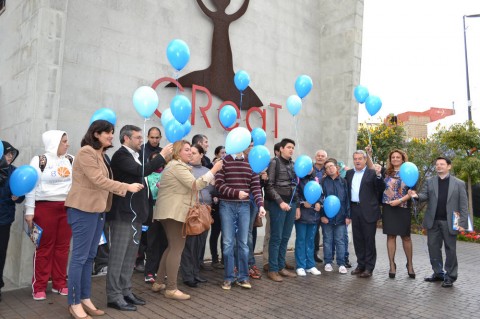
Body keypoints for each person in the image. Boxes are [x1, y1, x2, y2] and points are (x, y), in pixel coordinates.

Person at [64, 120, 144, 319]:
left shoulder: (102, 155)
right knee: (79, 258)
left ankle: (85, 297)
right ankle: (74, 302)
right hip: (82, 210)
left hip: (98, 211)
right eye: (108, 133)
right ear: (96, 134)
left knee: (90, 257)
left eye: (112, 132)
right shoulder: (86, 152)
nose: (111, 136)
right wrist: (126, 187)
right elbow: (98, 180)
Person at [106, 125, 172, 311]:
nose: (141, 141)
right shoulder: (121, 156)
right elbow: (141, 171)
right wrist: (162, 155)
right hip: (122, 215)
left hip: (135, 216)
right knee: (118, 257)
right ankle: (113, 295)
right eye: (137, 138)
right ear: (126, 139)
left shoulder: (136, 155)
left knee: (129, 258)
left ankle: (126, 291)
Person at [152, 140, 222, 300]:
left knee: (171, 248)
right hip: (174, 213)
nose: (190, 152)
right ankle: (171, 288)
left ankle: (158, 282)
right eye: (187, 150)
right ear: (177, 153)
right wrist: (214, 170)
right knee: (177, 249)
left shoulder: (177, 166)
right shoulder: (177, 166)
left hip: (172, 212)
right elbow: (195, 185)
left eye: (191, 150)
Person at [24, 130, 74, 301]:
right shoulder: (39, 160)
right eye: (64, 141)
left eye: (67, 141)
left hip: (67, 208)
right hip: (44, 208)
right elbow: (30, 186)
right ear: (54, 143)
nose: (67, 144)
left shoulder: (70, 160)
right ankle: (39, 286)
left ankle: (60, 283)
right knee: (44, 248)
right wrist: (30, 211)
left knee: (63, 247)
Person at [409, 157, 469, 288]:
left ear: (449, 166)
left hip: (451, 222)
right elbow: (424, 196)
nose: (439, 166)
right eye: (437, 165)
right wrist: (416, 196)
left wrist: (463, 224)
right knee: (433, 248)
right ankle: (438, 273)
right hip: (433, 221)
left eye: (442, 164)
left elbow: (464, 205)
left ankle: (450, 276)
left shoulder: (459, 183)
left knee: (450, 250)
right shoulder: (430, 182)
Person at [215, 142, 266, 290]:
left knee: (243, 244)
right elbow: (219, 185)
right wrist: (236, 193)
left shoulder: (251, 163)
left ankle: (243, 277)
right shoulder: (223, 162)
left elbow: (255, 187)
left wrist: (261, 205)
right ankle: (229, 277)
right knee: (228, 243)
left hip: (244, 206)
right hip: (227, 205)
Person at [374, 149, 415, 279]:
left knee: (406, 237)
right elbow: (372, 169)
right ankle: (392, 265)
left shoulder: (409, 171)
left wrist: (400, 200)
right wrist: (369, 154)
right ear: (390, 159)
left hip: (403, 207)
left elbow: (412, 192)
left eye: (398, 157)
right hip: (389, 208)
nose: (395, 159)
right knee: (391, 236)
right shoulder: (386, 172)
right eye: (393, 157)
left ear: (403, 159)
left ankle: (410, 264)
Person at [345, 150, 384, 278]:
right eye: (355, 158)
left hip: (368, 211)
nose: (357, 161)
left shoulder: (372, 173)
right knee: (358, 240)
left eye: (360, 159)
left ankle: (369, 267)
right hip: (354, 209)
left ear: (365, 159)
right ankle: (360, 265)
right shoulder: (349, 173)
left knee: (369, 240)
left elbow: (380, 189)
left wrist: (379, 176)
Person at [180, 144, 215, 287]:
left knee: (200, 244)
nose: (191, 155)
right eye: (189, 152)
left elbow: (212, 190)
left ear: (201, 155)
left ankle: (195, 273)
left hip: (205, 210)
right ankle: (188, 276)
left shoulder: (208, 171)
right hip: (191, 211)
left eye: (194, 153)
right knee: (189, 245)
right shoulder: (185, 169)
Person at [264, 138, 299, 282]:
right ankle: (272, 270)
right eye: (289, 147)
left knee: (285, 237)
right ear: (282, 149)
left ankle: (280, 266)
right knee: (276, 237)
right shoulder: (274, 163)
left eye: (293, 147)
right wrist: (280, 202)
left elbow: (296, 185)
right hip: (278, 205)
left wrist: (296, 205)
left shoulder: (293, 164)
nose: (291, 150)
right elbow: (269, 186)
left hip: (292, 204)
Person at [136, 126, 164, 273]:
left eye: (157, 137)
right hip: (144, 196)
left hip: (159, 202)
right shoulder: (141, 151)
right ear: (147, 137)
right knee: (143, 232)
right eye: (152, 137)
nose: (154, 140)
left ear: (160, 138)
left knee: (155, 236)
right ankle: (139, 260)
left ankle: (154, 264)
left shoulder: (163, 152)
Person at [0, 142, 25, 302]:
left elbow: (20, 194)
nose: (10, 157)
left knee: (1, 254)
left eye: (12, 154)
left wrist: (18, 197)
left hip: (4, 220)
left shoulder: (14, 172)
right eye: (7, 154)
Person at [320, 158, 351, 274]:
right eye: (327, 168)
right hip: (326, 218)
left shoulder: (343, 182)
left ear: (337, 167)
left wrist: (348, 216)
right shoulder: (322, 182)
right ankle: (328, 262)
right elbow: (320, 199)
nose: (329, 169)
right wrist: (322, 215)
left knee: (340, 240)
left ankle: (341, 263)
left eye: (331, 166)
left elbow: (347, 199)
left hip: (341, 217)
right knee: (327, 240)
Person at [143, 151, 168, 283]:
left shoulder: (168, 174)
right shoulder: (146, 177)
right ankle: (149, 272)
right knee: (152, 243)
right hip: (152, 212)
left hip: (166, 212)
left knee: (165, 242)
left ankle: (161, 270)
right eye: (155, 160)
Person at [294, 167, 322, 276]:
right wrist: (302, 202)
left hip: (314, 215)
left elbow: (320, 193)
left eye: (310, 166)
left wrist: (319, 202)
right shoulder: (298, 179)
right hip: (302, 215)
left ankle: (310, 265)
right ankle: (300, 266)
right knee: (301, 240)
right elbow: (295, 194)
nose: (309, 168)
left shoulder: (315, 179)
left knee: (310, 241)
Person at [262, 142, 281, 272]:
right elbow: (266, 185)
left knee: (280, 235)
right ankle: (266, 261)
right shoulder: (270, 165)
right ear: (276, 152)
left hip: (284, 205)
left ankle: (279, 261)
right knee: (270, 234)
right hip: (271, 205)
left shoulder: (289, 165)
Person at [210, 145, 225, 269]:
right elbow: (211, 184)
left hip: (225, 202)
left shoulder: (227, 166)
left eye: (225, 152)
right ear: (216, 154)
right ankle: (214, 258)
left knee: (225, 233)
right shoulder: (214, 167)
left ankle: (224, 259)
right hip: (216, 204)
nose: (224, 154)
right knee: (215, 232)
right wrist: (215, 195)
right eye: (221, 152)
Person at [313, 149, 328, 263]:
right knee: (313, 231)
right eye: (318, 155)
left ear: (325, 158)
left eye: (322, 156)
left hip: (326, 204)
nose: (320, 157)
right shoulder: (310, 169)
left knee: (325, 231)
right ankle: (311, 253)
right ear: (315, 157)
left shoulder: (328, 170)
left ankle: (318, 253)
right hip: (311, 204)